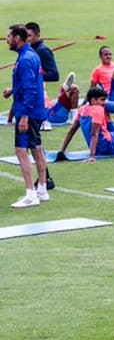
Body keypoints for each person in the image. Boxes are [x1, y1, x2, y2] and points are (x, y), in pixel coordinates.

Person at [5, 24, 49, 208]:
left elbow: (30, 89)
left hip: (28, 112)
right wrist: (13, 90)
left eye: (9, 36)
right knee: (36, 147)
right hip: (36, 110)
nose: (7, 39)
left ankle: (31, 193)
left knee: (21, 151)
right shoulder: (31, 55)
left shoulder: (24, 60)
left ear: (17, 38)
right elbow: (29, 83)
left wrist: (23, 117)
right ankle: (42, 190)